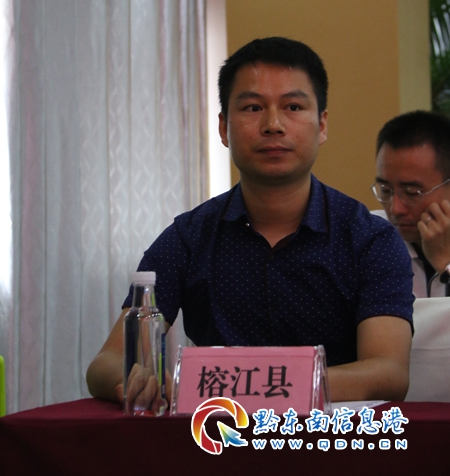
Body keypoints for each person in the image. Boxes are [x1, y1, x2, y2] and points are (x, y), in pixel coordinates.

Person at [86, 37, 413, 403]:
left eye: (292, 107)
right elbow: (107, 362)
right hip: (216, 432)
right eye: (253, 107)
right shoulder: (188, 238)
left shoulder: (370, 239)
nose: (273, 125)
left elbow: (388, 372)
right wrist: (139, 380)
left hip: (332, 433)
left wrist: (247, 387)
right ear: (224, 128)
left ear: (321, 125)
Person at [372, 110, 450, 298]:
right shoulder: (368, 238)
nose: (395, 209)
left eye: (411, 193)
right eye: (385, 190)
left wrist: (446, 265)